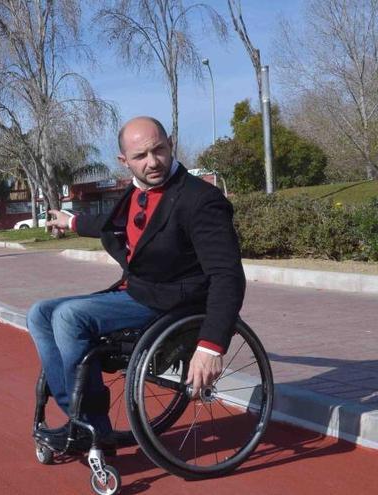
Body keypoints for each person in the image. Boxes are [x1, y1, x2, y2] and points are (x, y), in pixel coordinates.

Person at [28, 116, 245, 451]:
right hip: (139, 291)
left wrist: (211, 346)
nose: (152, 162)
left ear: (171, 144)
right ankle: (80, 417)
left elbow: (227, 274)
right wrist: (73, 221)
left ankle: (90, 426)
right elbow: (117, 223)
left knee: (69, 317)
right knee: (40, 313)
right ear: (124, 161)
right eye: (141, 156)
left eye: (158, 150)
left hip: (172, 303)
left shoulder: (200, 200)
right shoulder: (136, 190)